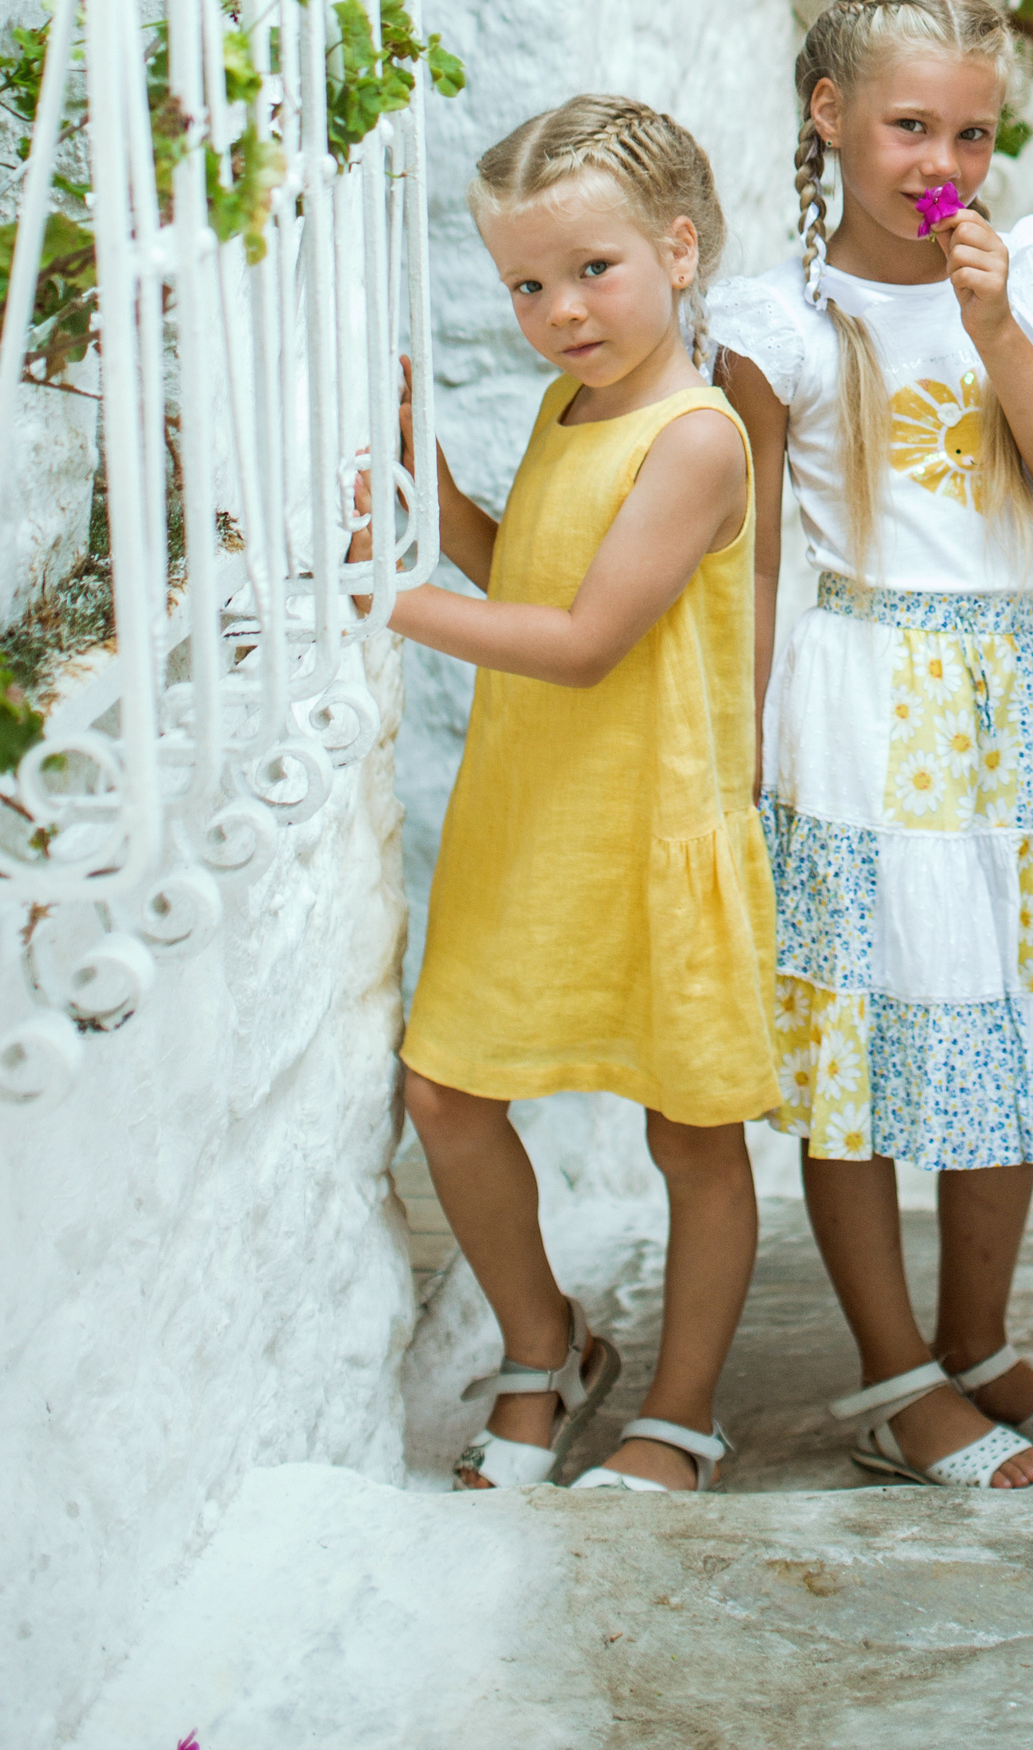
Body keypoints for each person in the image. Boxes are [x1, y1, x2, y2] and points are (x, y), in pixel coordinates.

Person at [708, 0, 1033, 1493]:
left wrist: (992, 324)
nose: (944, 165)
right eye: (911, 126)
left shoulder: (1025, 264)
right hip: (856, 704)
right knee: (856, 1044)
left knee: (1015, 1011)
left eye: (974, 134)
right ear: (831, 116)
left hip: (1014, 694)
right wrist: (744, 746)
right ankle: (893, 1372)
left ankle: (980, 1341)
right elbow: (761, 554)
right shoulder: (777, 318)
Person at [381, 98, 776, 1494]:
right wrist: (428, 484)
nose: (557, 311)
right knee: (445, 1096)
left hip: (649, 823)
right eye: (527, 285)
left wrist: (393, 607)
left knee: (690, 1128)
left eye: (590, 270)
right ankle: (548, 1344)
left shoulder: (697, 438)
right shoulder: (570, 406)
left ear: (679, 248)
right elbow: (530, 581)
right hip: (532, 815)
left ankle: (681, 1409)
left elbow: (589, 639)